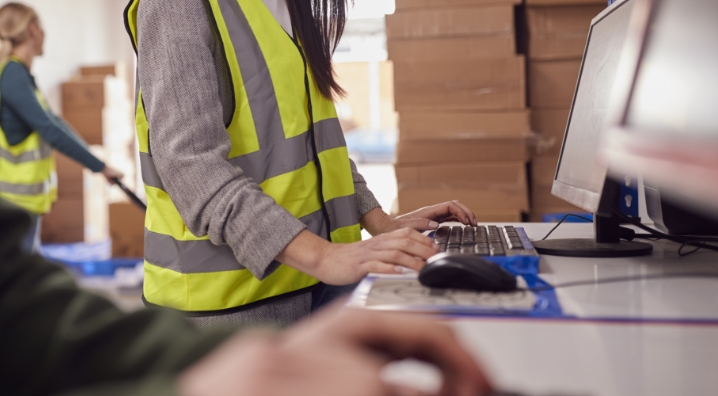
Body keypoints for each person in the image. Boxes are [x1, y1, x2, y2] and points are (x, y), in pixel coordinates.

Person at [126, 0, 479, 327]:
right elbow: (192, 167)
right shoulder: (178, 6)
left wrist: (379, 222)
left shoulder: (286, 8)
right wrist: (322, 256)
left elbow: (317, 146)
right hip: (231, 310)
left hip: (319, 286)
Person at [0, 198, 492, 396]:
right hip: (237, 288)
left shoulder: (286, 17)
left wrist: (379, 222)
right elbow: (190, 163)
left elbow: (44, 333)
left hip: (306, 286)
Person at [0, 2, 123, 254]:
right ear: (33, 30)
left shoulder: (20, 76)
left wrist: (99, 165)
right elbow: (50, 130)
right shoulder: (12, 75)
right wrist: (99, 167)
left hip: (22, 204)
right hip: (13, 203)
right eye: (41, 27)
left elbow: (56, 123)